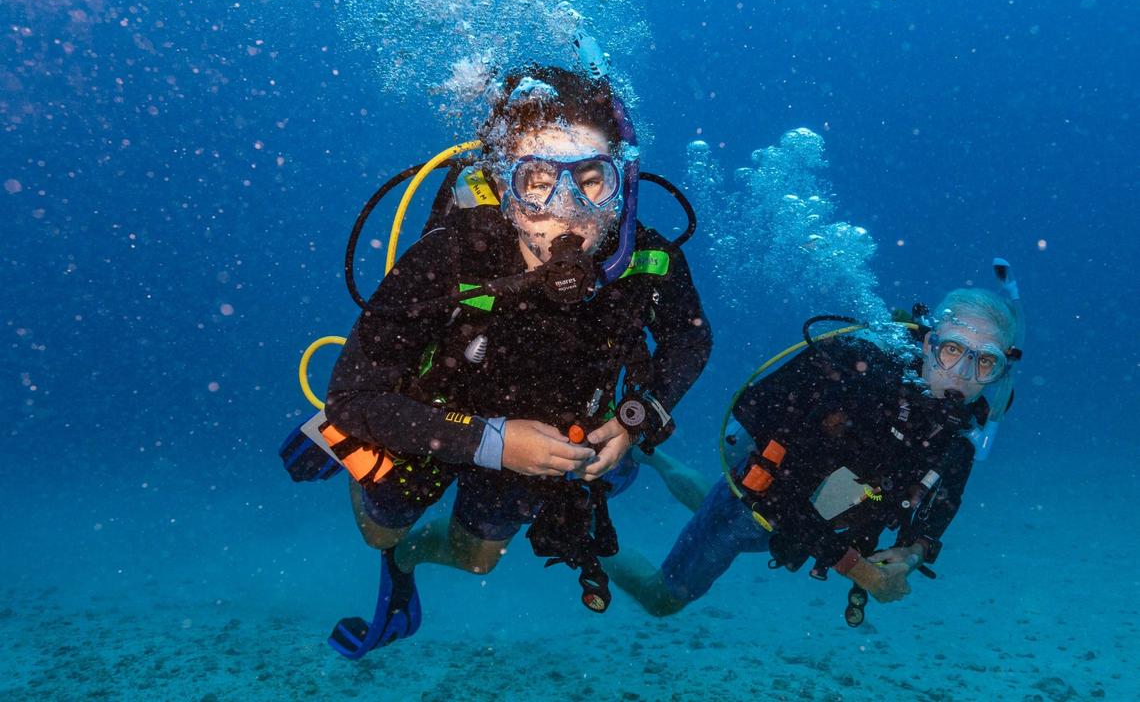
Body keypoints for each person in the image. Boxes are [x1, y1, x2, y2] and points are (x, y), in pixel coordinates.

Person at [318, 65, 712, 657]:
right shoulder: (452, 252)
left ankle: (408, 559)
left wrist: (635, 418)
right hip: (433, 416)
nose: (566, 211)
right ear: (505, 188)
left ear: (623, 181)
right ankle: (366, 501)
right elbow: (349, 397)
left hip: (545, 436)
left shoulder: (651, 262)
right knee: (379, 527)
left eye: (590, 179)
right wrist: (493, 441)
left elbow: (690, 341)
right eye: (536, 181)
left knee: (477, 561)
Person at [606, 284, 1024, 624]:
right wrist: (858, 569)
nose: (965, 375)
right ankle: (590, 536)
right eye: (953, 350)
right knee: (664, 597)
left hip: (813, 522)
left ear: (1000, 371)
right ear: (930, 343)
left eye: (985, 362)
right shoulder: (859, 388)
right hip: (760, 504)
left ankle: (655, 459)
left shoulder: (958, 430)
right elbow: (776, 498)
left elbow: (945, 498)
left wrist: (913, 552)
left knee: (710, 501)